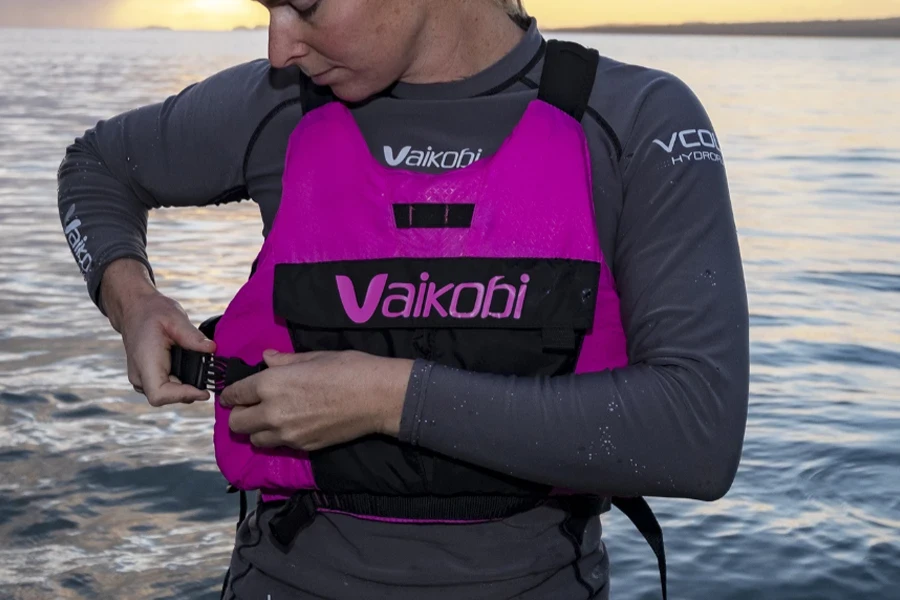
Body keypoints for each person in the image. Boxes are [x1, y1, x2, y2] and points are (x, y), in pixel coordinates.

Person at [56, 0, 750, 598]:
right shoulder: (275, 106)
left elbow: (696, 436)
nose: (279, 45)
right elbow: (97, 166)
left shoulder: (633, 122)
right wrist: (131, 297)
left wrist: (389, 399)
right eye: (265, 10)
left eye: (306, 4)